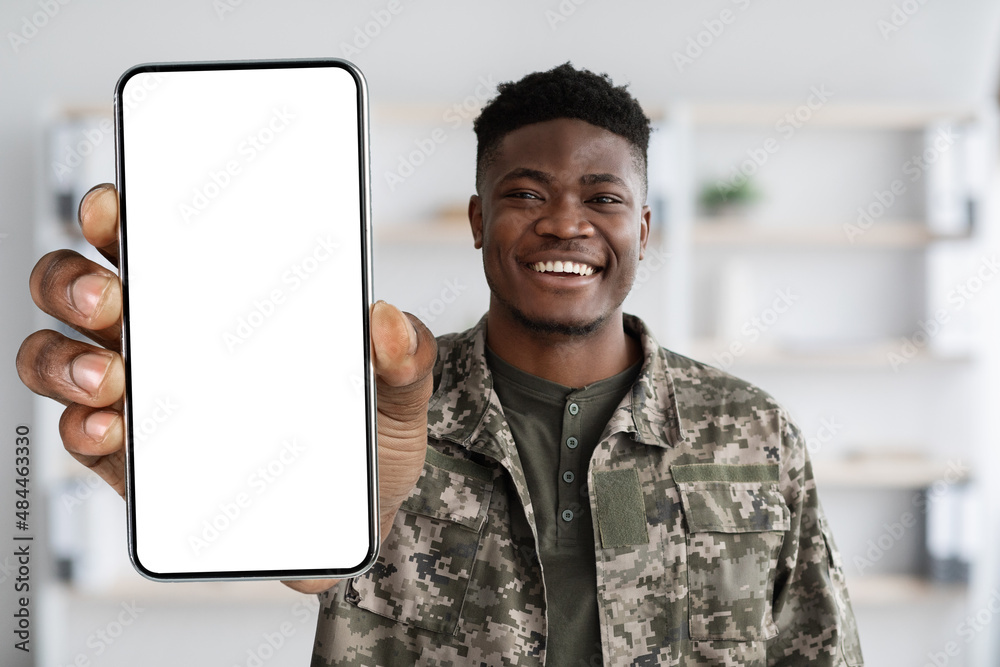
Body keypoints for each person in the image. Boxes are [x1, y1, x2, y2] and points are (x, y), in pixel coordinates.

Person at [17, 63, 863, 666]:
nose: (567, 223)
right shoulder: (366, 407)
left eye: (604, 199)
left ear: (643, 227)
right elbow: (308, 561)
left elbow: (817, 649)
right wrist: (225, 480)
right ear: (475, 218)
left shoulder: (752, 430)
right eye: (527, 194)